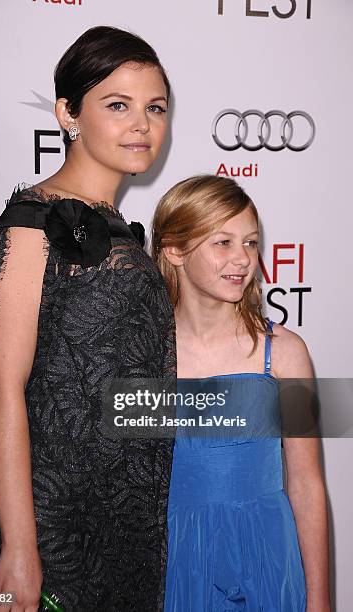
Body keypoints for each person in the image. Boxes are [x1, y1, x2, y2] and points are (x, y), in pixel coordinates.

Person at [0, 26, 176, 612]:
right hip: (54, 524)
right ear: (68, 113)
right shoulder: (32, 228)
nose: (142, 124)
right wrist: (18, 548)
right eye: (118, 105)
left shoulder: (116, 229)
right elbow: (0, 389)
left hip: (130, 522)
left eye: (155, 108)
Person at [152, 175, 331, 612]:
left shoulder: (286, 354)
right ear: (174, 250)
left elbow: (306, 484)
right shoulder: (143, 357)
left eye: (251, 243)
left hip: (267, 558)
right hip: (173, 560)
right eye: (223, 243)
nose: (242, 260)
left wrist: (320, 599)